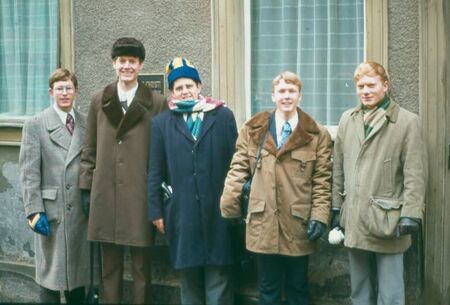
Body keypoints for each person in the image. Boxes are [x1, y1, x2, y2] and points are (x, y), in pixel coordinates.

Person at [220, 71, 332, 305]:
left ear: (300, 95)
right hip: (263, 222)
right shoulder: (254, 129)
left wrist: (320, 217)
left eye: (292, 91)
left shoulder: (316, 134)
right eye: (282, 91)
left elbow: (322, 180)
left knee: (297, 288)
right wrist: (229, 205)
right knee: (267, 289)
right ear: (273, 95)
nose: (287, 96)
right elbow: (239, 168)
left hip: (298, 222)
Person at [330, 61, 427, 305]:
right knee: (359, 290)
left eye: (371, 85)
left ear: (385, 85)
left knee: (391, 293)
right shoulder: (347, 120)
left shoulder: (407, 122)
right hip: (354, 217)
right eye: (360, 86)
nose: (365, 91)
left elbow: (415, 173)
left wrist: (411, 214)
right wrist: (334, 209)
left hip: (388, 220)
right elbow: (338, 170)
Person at [79, 37, 167, 304]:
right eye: (121, 61)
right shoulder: (99, 100)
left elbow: (160, 155)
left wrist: (158, 197)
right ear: (113, 64)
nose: (126, 66)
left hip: (140, 195)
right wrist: (86, 188)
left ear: (140, 65)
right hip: (105, 193)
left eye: (132, 61)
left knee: (142, 267)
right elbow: (89, 148)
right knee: (109, 267)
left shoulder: (156, 102)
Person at [147, 57, 238, 305]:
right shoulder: (162, 124)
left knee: (219, 275)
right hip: (182, 212)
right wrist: (156, 212)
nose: (185, 91)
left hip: (217, 210)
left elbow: (236, 164)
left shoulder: (222, 116)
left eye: (189, 85)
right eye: (179, 88)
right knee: (189, 278)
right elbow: (155, 170)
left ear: (199, 86)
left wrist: (236, 204)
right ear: (172, 93)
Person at [19, 68, 91, 304]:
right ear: (51, 92)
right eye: (59, 88)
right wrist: (33, 210)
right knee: (50, 278)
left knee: (78, 277)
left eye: (69, 88)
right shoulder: (36, 124)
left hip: (80, 212)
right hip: (51, 212)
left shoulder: (86, 123)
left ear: (76, 92)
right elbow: (28, 173)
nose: (65, 93)